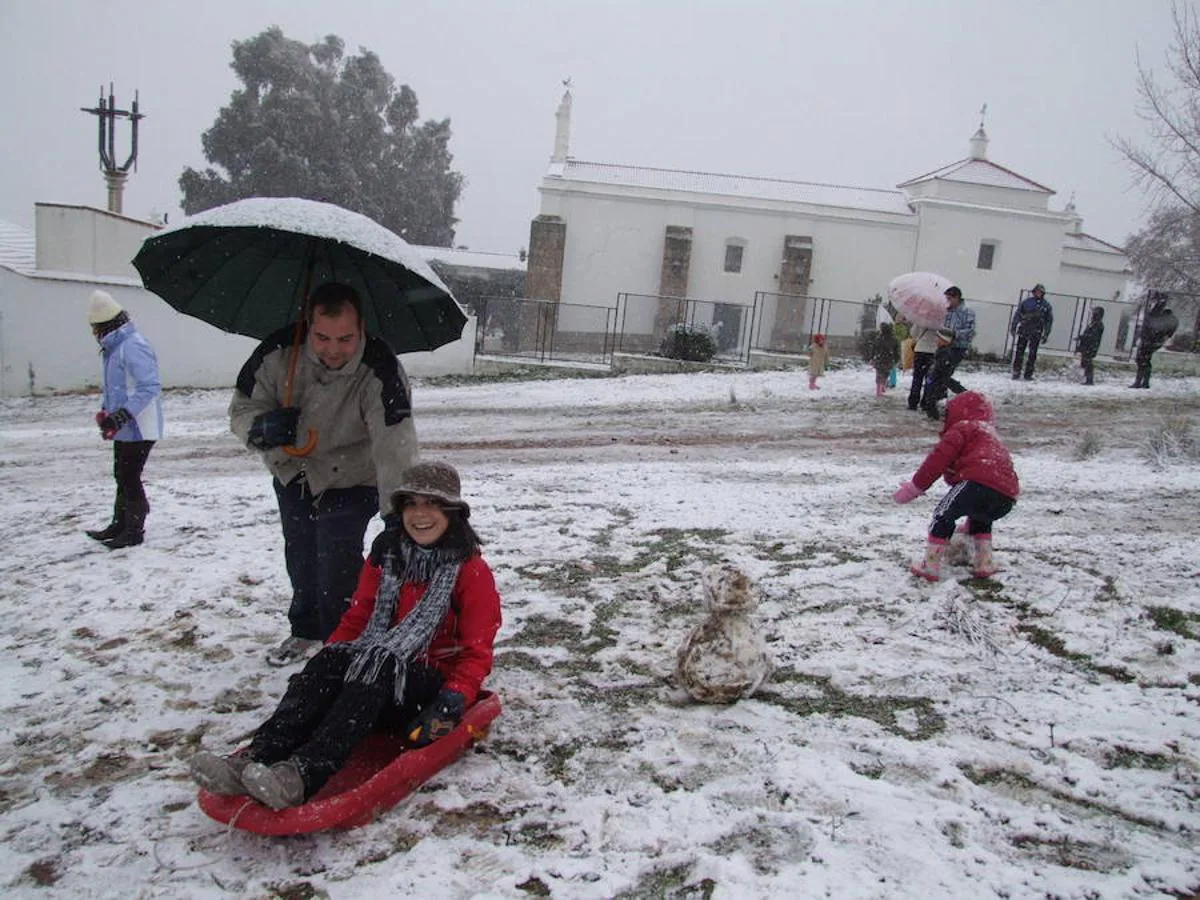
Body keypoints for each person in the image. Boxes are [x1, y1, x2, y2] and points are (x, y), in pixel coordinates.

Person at [188, 461, 501, 810]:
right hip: (377, 666)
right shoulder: (387, 556)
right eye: (411, 503)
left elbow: (477, 649)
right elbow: (359, 617)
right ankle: (253, 758)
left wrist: (455, 696)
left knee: (377, 665)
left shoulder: (470, 571)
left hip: (426, 685)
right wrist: (331, 658)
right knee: (334, 661)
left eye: (432, 503)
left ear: (453, 512)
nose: (420, 514)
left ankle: (301, 776)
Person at [230, 282, 419, 666]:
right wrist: (261, 428)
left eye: (346, 338)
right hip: (294, 472)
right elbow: (242, 408)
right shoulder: (277, 353)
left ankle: (342, 639)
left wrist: (398, 514)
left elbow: (395, 445)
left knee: (336, 554)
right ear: (308, 324)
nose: (333, 350)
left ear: (361, 328)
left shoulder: (380, 369)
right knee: (300, 550)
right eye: (322, 337)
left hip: (354, 475)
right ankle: (305, 629)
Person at [893, 391, 1020, 581]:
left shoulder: (963, 428)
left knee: (942, 515)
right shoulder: (990, 435)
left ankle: (931, 565)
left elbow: (937, 461)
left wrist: (915, 487)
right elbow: (996, 477)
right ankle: (983, 563)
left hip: (976, 482)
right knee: (981, 518)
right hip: (1007, 495)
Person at [84, 290, 163, 549]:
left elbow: (149, 386)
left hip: (140, 426)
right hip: (123, 425)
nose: (93, 333)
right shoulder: (114, 347)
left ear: (105, 324)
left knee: (129, 475)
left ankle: (134, 530)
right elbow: (116, 388)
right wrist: (106, 413)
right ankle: (119, 524)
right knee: (121, 474)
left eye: (95, 327)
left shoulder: (133, 345)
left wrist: (121, 416)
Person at [920, 286, 975, 421]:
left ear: (957, 298)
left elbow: (970, 331)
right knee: (937, 375)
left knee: (944, 376)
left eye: (949, 298)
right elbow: (942, 328)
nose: (947, 301)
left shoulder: (967, 312)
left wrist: (955, 334)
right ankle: (934, 404)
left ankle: (964, 396)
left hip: (957, 348)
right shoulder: (946, 312)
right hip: (944, 347)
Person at [1130, 292, 1179, 389]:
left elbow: (1153, 318)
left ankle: (1140, 382)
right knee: (1144, 360)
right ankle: (1143, 382)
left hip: (1149, 340)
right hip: (1150, 340)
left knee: (1142, 360)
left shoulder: (1158, 316)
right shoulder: (1160, 316)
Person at [1009, 284, 1054, 381]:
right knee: (1019, 352)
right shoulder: (1027, 302)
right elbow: (1018, 314)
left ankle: (1028, 374)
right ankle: (1016, 372)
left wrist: (1046, 334)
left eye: (1040, 292)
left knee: (1032, 354)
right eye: (1037, 291)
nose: (1038, 293)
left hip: (1036, 332)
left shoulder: (1046, 305)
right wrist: (1013, 327)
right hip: (1024, 329)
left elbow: (1049, 321)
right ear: (1034, 292)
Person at [906, 324, 940, 411]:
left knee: (917, 378)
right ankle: (925, 402)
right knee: (929, 379)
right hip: (933, 351)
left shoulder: (920, 319)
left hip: (920, 351)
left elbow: (913, 333)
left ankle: (913, 403)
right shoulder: (939, 321)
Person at [1075, 307, 1105, 386]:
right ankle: (1087, 378)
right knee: (1086, 362)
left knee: (1088, 362)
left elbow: (1093, 336)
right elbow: (1088, 334)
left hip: (1091, 346)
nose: (1093, 314)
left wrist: (1084, 338)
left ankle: (1089, 379)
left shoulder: (1098, 324)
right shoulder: (1093, 323)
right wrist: (1082, 337)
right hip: (1087, 345)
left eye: (1095, 312)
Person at [870, 322, 901, 397]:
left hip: (879, 358)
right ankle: (882, 386)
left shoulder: (878, 338)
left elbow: (874, 349)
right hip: (889, 360)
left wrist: (872, 357)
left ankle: (879, 389)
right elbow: (896, 351)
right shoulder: (894, 339)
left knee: (879, 374)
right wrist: (896, 359)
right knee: (885, 374)